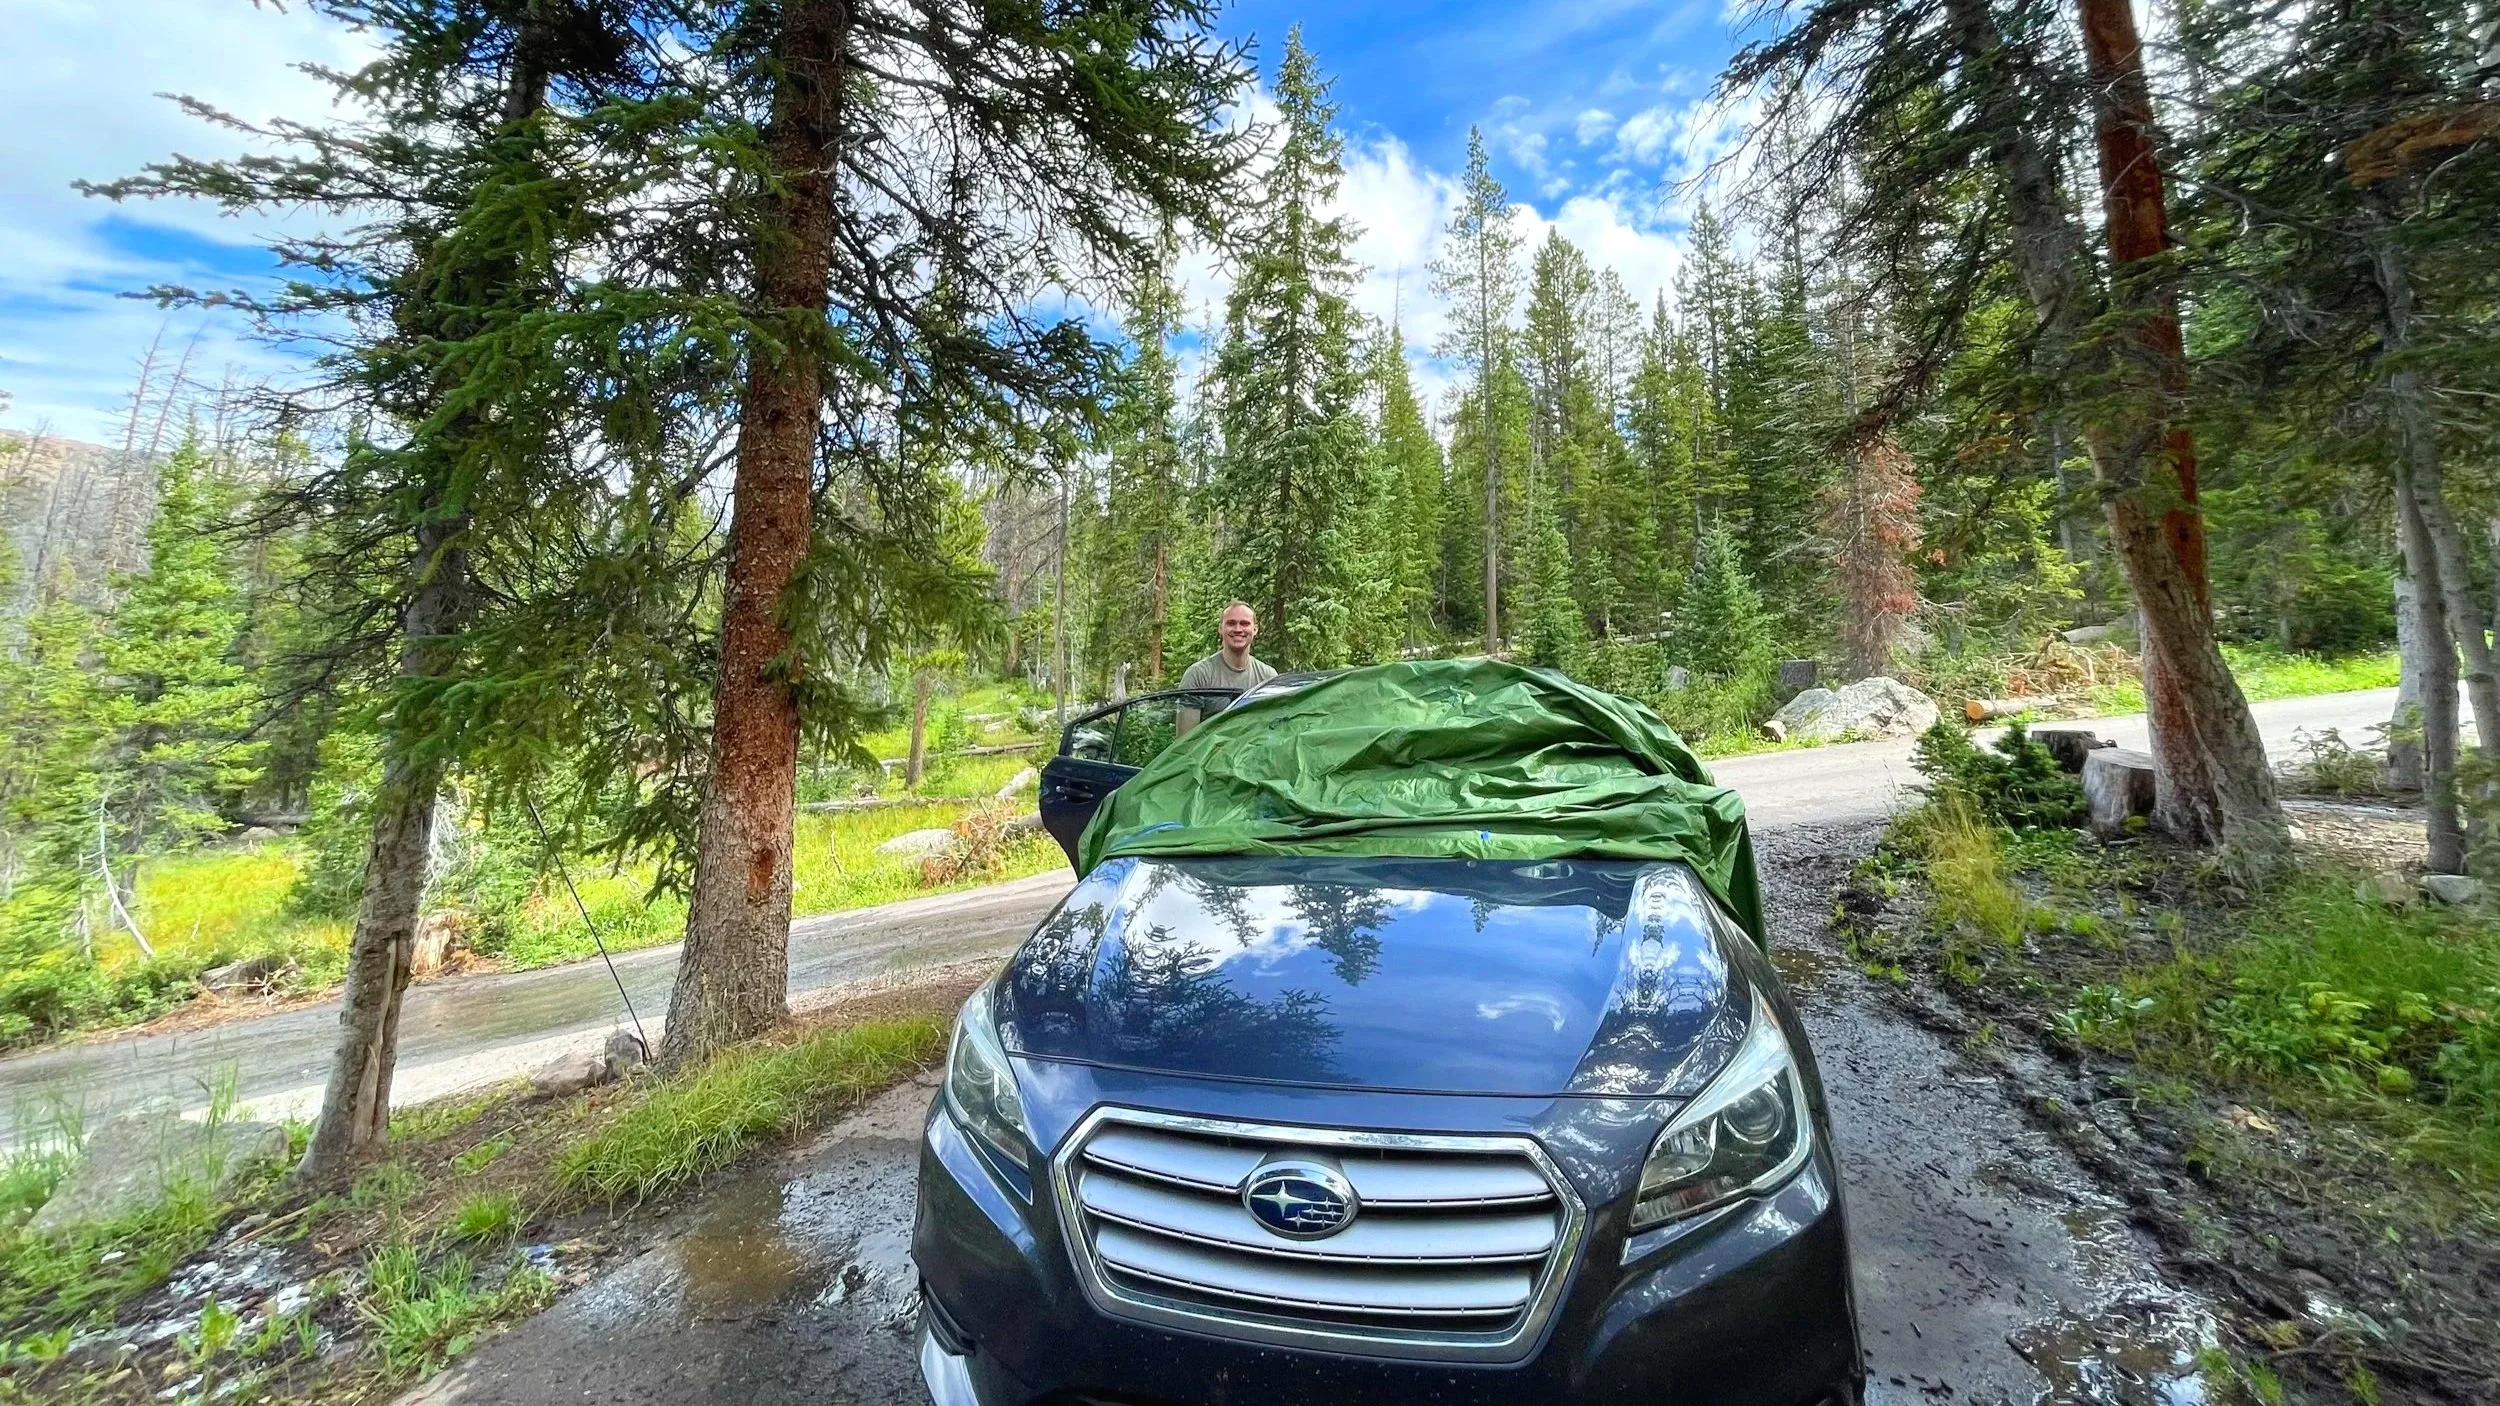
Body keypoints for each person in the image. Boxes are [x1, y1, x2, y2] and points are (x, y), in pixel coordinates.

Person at [1176, 601, 1276, 735]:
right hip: (1211, 755)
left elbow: (1273, 732)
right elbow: (1185, 741)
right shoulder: (1198, 675)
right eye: (1231, 623)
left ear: (1255, 629)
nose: (1238, 629)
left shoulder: (1268, 677)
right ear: (1220, 628)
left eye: (1245, 623)